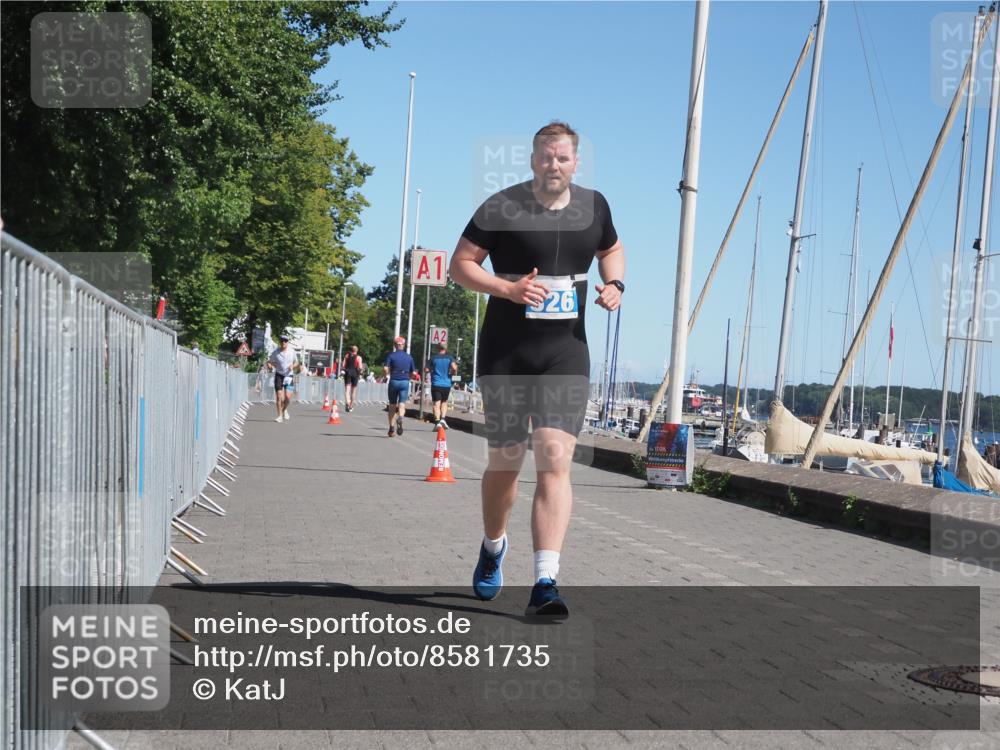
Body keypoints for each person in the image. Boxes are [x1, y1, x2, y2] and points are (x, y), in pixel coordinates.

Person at [449, 121, 624, 617]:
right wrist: (505, 290)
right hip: (507, 352)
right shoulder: (500, 205)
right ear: (532, 160)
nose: (554, 165)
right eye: (546, 157)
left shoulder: (596, 206)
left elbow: (611, 250)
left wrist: (616, 285)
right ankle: (492, 546)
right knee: (505, 464)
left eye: (563, 158)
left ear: (576, 163)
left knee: (554, 457)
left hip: (565, 352)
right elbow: (460, 264)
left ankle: (545, 581)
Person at [382, 336, 419, 437]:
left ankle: (391, 429)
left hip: (394, 381)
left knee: (392, 406)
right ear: (404, 345)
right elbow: (414, 373)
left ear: (395, 345)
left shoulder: (391, 356)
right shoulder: (409, 357)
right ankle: (401, 417)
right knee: (402, 404)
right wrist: (409, 377)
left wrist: (386, 376)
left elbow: (385, 368)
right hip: (404, 382)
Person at [267, 335, 303, 422]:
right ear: (280, 342)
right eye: (282, 341)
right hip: (279, 375)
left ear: (287, 342)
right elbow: (269, 361)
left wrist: (293, 366)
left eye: (285, 341)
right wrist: (270, 366)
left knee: (287, 397)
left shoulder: (292, 351)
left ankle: (284, 410)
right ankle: (279, 416)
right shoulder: (276, 352)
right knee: (279, 396)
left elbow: (297, 363)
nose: (283, 342)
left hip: (289, 376)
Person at [425, 343, 459, 428]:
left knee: (437, 403)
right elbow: (454, 368)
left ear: (438, 348)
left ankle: (437, 422)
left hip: (436, 383)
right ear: (446, 348)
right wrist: (453, 373)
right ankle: (443, 419)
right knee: (444, 402)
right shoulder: (450, 358)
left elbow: (426, 369)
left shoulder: (433, 358)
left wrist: (431, 370)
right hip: (446, 384)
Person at [342, 346, 364, 412]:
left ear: (351, 350)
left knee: (347, 390)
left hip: (347, 372)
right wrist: (361, 373)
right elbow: (360, 367)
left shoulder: (347, 356)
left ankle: (347, 403)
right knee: (353, 391)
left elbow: (343, 365)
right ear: (357, 350)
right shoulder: (358, 357)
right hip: (355, 373)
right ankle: (351, 406)